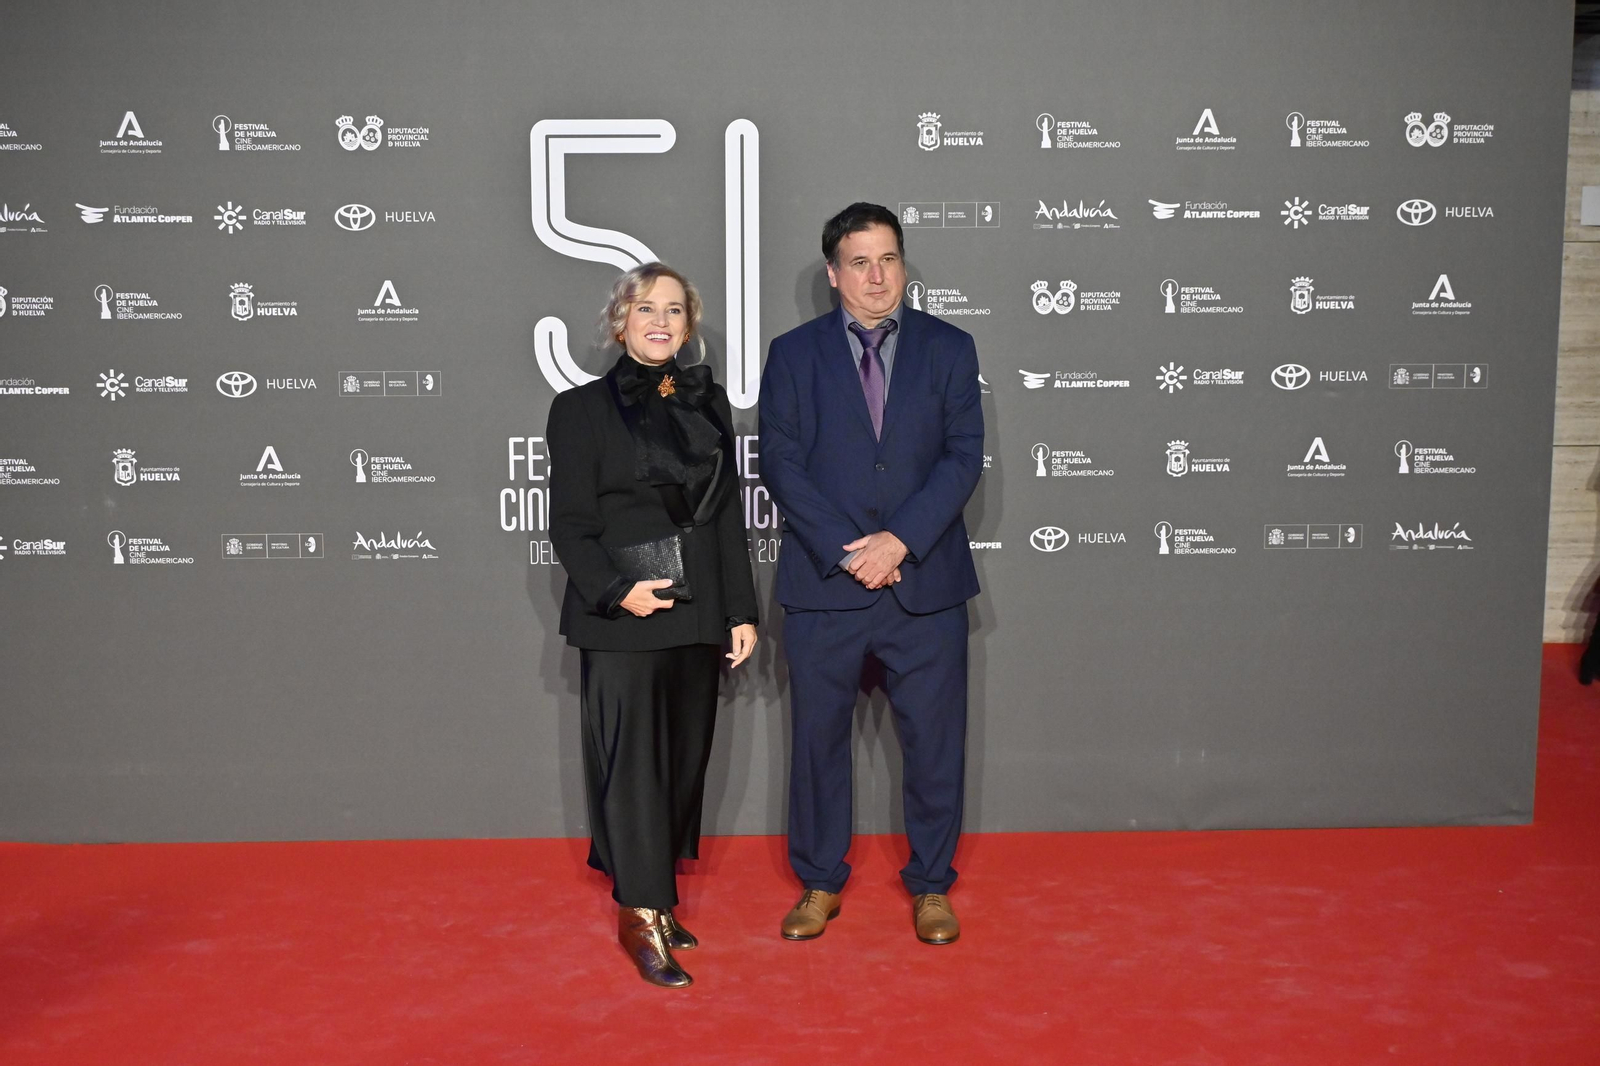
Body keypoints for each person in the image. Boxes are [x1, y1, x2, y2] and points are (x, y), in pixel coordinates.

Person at [759, 203, 983, 945]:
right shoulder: (792, 354)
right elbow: (782, 464)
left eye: (888, 258)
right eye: (860, 261)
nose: (877, 275)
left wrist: (901, 542)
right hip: (828, 586)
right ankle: (820, 883)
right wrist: (853, 549)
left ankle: (931, 887)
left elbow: (961, 457)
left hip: (925, 587)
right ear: (833, 274)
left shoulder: (951, 348)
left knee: (935, 745)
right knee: (817, 744)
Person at [546, 262, 759, 988]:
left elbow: (727, 517)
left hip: (697, 614)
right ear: (619, 322)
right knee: (634, 770)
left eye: (674, 310)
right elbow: (571, 527)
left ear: (689, 324)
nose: (661, 321)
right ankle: (640, 912)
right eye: (646, 309)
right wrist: (616, 592)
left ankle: (657, 898)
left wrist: (740, 611)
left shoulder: (708, 404)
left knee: (681, 764)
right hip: (624, 621)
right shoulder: (579, 411)